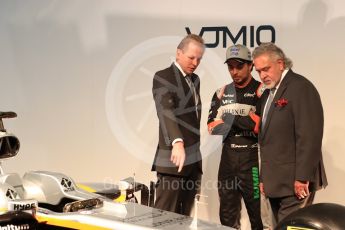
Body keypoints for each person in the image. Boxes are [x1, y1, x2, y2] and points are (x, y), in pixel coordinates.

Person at [253, 42, 328, 223]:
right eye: (258, 71)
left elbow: (309, 136)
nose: (263, 75)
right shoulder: (266, 95)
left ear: (280, 64)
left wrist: (302, 178)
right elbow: (266, 141)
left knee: (291, 227)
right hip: (275, 182)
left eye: (266, 69)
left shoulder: (301, 87)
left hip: (295, 183)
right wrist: (264, 179)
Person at [207, 44, 264, 230]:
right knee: (227, 217)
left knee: (258, 217)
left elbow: (258, 127)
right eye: (230, 67)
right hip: (228, 162)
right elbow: (212, 128)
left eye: (239, 66)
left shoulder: (262, 91)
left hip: (253, 160)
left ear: (251, 66)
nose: (234, 71)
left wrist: (228, 118)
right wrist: (244, 119)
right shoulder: (221, 93)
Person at [151, 34, 205, 215]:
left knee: (185, 220)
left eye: (199, 59)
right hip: (173, 161)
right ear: (178, 53)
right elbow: (166, 111)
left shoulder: (195, 80)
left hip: (193, 162)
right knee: (163, 220)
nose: (195, 63)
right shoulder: (163, 76)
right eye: (191, 57)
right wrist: (177, 142)